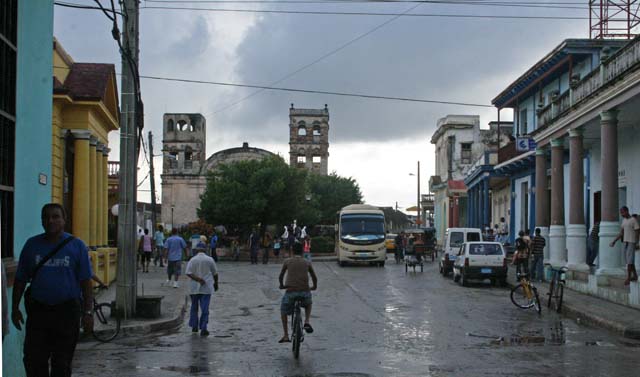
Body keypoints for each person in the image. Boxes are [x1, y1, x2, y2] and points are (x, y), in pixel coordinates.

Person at [12, 203, 93, 377]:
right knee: (34, 361)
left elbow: (86, 282)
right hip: (39, 312)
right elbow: (20, 279)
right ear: (42, 221)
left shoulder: (77, 246)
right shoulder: (32, 245)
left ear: (64, 220)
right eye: (46, 217)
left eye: (56, 216)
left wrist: (88, 312)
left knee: (62, 363)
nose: (50, 221)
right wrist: (14, 308)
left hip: (67, 312)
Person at [278, 242, 318, 343]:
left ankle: (286, 335)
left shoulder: (287, 261)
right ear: (303, 251)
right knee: (308, 304)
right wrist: (314, 287)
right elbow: (314, 277)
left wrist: (282, 285)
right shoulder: (307, 262)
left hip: (291, 291)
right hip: (304, 292)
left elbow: (281, 276)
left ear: (291, 250)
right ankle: (307, 321)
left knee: (283, 311)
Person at [185, 241, 219, 336]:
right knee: (205, 308)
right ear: (205, 250)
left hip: (194, 288)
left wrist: (198, 279)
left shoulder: (192, 260)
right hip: (206, 288)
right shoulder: (210, 259)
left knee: (194, 307)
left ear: (196, 250)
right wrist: (216, 284)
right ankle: (203, 327)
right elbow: (215, 273)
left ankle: (194, 326)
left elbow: (188, 272)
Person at [610, 206, 639, 285]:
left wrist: (637, 243)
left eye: (622, 212)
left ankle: (629, 277)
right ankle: (635, 275)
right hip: (626, 242)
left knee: (629, 262)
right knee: (630, 261)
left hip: (632, 242)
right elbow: (621, 233)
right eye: (621, 213)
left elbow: (637, 232)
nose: (621, 214)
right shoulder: (624, 221)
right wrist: (614, 241)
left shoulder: (633, 220)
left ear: (627, 211)